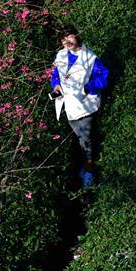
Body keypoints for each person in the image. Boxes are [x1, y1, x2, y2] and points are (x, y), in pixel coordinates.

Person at [50, 26, 109, 188]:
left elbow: (103, 78)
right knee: (80, 139)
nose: (66, 41)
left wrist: (87, 88)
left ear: (76, 35)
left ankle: (89, 171)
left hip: (84, 106)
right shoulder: (61, 55)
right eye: (62, 39)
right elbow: (55, 75)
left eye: (69, 36)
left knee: (86, 140)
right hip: (68, 105)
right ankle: (85, 164)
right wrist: (56, 86)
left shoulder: (90, 58)